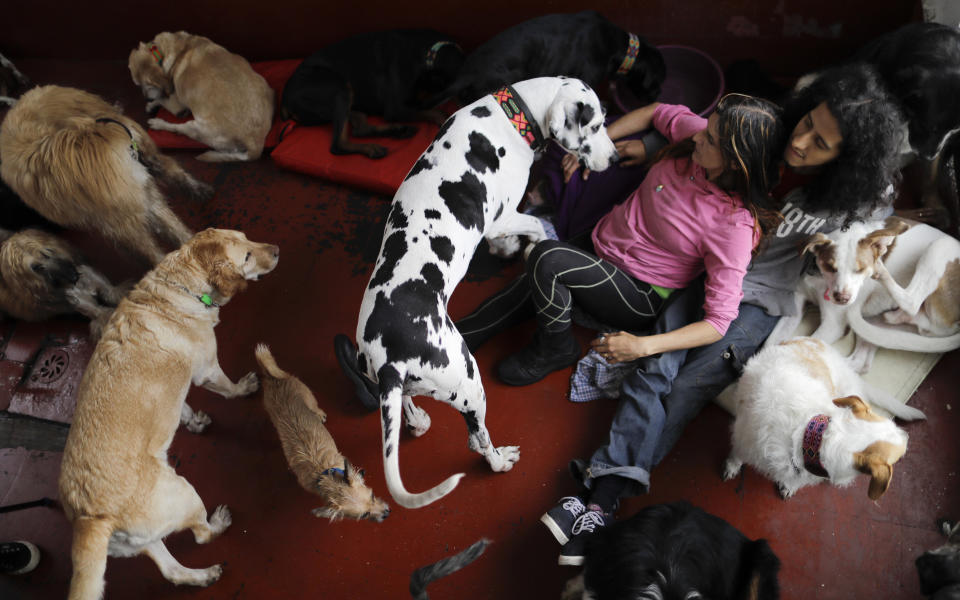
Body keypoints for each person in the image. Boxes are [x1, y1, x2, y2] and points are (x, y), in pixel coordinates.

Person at [539, 62, 905, 566]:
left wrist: (848, 275)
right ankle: (602, 502)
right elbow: (703, 140)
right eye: (806, 124)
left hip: (757, 299)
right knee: (653, 370)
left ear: (847, 160)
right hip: (707, 278)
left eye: (821, 143)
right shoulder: (771, 135)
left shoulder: (843, 205)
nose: (801, 143)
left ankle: (599, 496)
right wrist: (649, 147)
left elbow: (867, 245)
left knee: (691, 384)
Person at [488, 93, 787, 387]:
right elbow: (656, 111)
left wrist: (643, 346)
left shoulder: (734, 226)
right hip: (602, 245)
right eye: (706, 129)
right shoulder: (699, 142)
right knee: (520, 291)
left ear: (735, 163)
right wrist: (593, 144)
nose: (698, 137)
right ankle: (459, 337)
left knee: (546, 258)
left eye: (709, 139)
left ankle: (557, 348)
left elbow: (718, 323)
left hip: (639, 291)